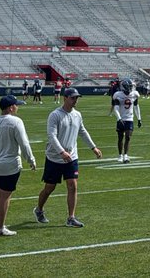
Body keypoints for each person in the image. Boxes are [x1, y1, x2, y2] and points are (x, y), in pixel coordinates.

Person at [34, 88, 102, 228]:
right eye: (73, 98)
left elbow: (82, 131)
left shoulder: (77, 115)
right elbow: (51, 136)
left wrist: (93, 147)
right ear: (65, 98)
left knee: (72, 185)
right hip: (54, 157)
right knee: (49, 188)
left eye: (77, 98)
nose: (75, 100)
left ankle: (71, 217)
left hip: (72, 157)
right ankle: (39, 209)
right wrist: (61, 152)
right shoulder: (55, 115)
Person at [0, 95, 36, 237]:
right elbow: (24, 143)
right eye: (16, 105)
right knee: (4, 196)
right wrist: (31, 159)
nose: (18, 107)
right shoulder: (16, 122)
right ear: (10, 108)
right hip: (9, 166)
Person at [110, 78, 141, 163]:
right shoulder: (118, 95)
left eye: (131, 86)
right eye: (129, 86)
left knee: (128, 137)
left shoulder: (134, 94)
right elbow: (116, 109)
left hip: (129, 118)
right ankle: (120, 155)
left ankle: (126, 155)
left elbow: (136, 107)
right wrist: (119, 118)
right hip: (121, 119)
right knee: (120, 138)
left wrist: (139, 118)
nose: (131, 88)